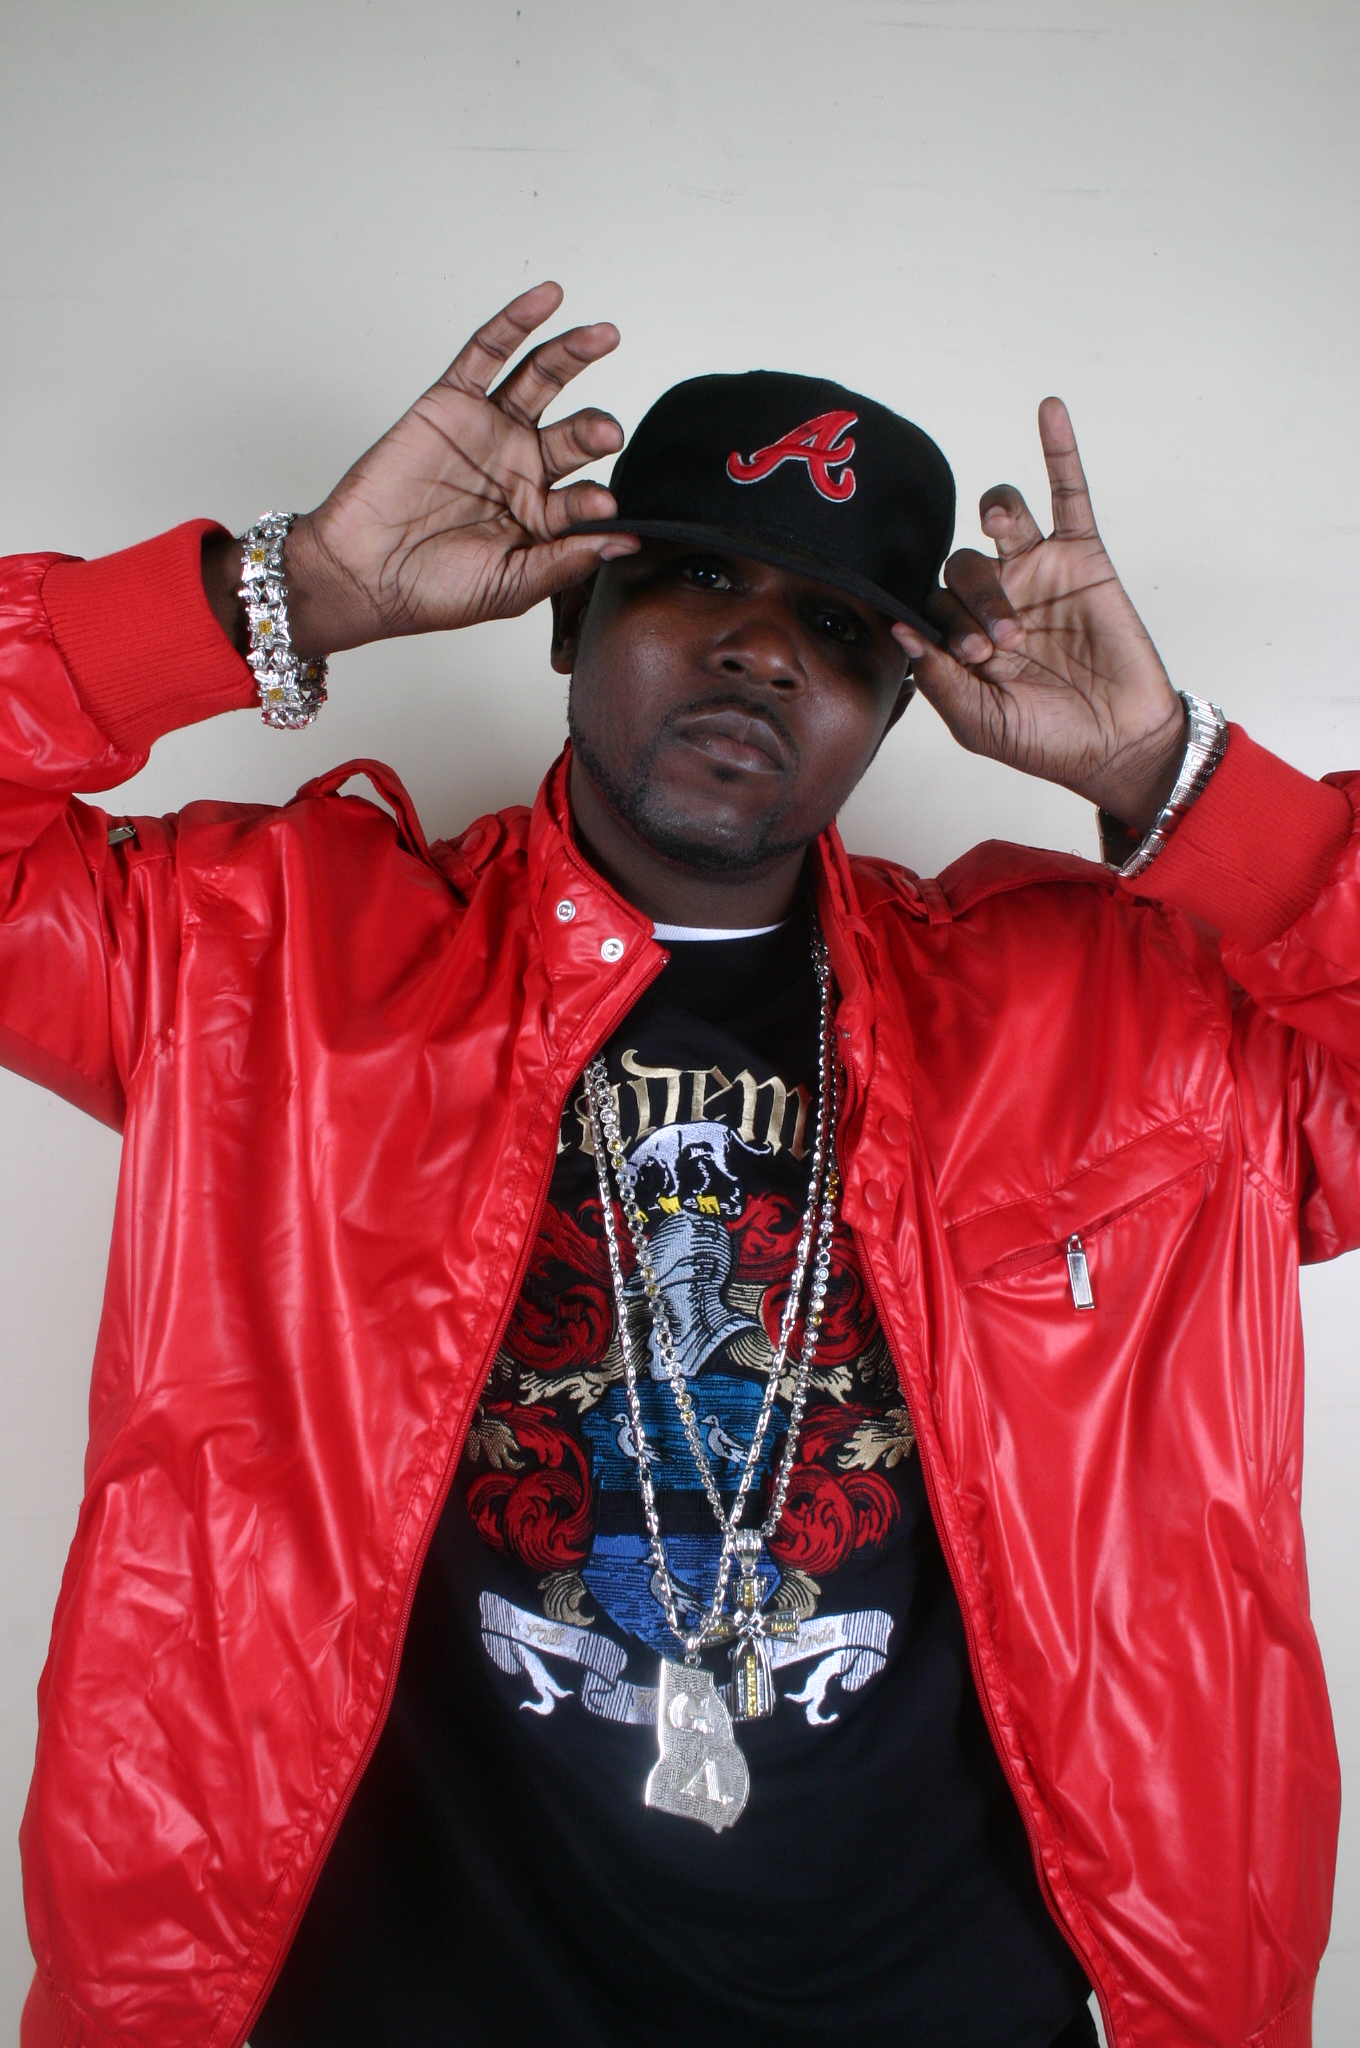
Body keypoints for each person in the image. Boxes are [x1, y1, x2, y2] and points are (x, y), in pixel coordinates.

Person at [2, 280, 1355, 2048]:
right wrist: (296, 589)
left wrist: (1173, 775)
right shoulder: (262, 965)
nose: (763, 649)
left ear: (899, 703)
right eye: (701, 575)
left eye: (840, 625)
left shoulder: (1123, 1032)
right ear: (572, 612)